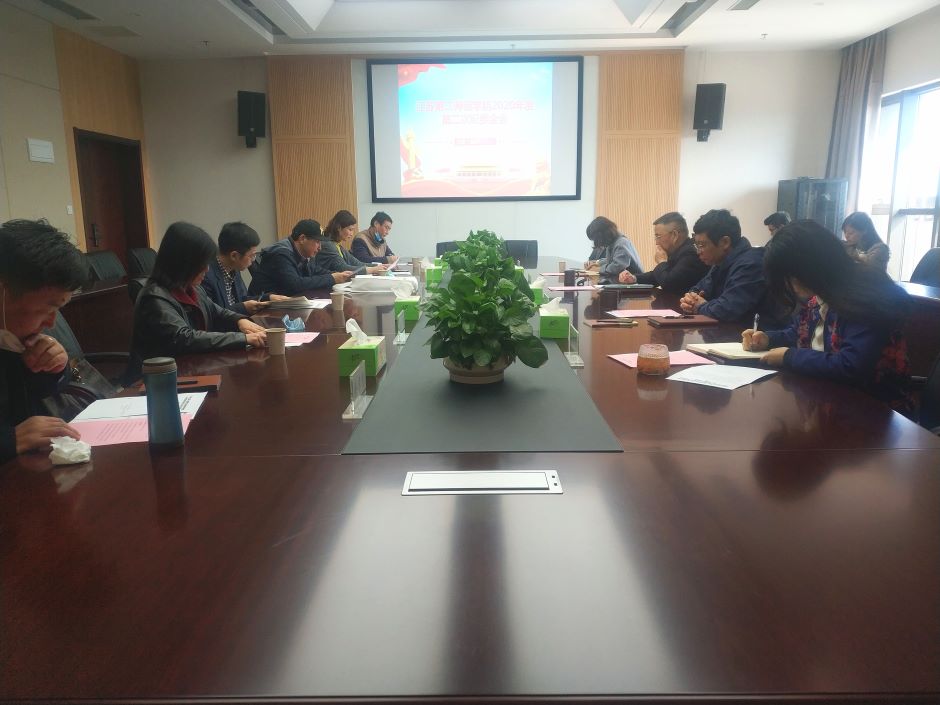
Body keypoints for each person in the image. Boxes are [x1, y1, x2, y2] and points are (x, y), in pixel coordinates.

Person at [742, 220, 912, 412]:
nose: (791, 284)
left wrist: (789, 357)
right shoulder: (824, 293)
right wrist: (768, 339)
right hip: (828, 400)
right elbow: (799, 332)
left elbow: (851, 366)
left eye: (790, 276)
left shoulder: (866, 298)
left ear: (809, 267)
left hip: (874, 412)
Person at [0, 219, 88, 462]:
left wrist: (54, 367)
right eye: (47, 309)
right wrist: (10, 440)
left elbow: (37, 392)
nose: (51, 323)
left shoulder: (13, 335)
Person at [132, 222, 267, 368]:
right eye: (202, 263)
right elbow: (186, 338)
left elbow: (218, 312)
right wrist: (243, 339)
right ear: (183, 262)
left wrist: (240, 320)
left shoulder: (192, 289)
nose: (207, 269)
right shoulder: (154, 298)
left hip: (192, 367)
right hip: (157, 376)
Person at [679, 209, 785, 325]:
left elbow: (726, 310)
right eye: (697, 245)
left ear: (725, 242)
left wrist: (699, 307)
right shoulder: (720, 262)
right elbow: (697, 290)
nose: (698, 252)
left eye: (702, 245)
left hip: (754, 333)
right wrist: (690, 300)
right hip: (727, 331)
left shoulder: (751, 264)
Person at [248, 219, 353, 297]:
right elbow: (295, 285)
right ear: (302, 239)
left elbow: (315, 271)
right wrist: (331, 278)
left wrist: (338, 275)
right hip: (261, 309)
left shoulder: (302, 254)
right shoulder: (281, 254)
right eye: (317, 242)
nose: (320, 247)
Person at [201, 221, 287, 315]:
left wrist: (268, 298)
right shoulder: (205, 276)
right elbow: (212, 314)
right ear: (234, 256)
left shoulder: (234, 268)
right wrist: (243, 308)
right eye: (251, 255)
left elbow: (242, 299)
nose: (253, 260)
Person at [619, 212, 708, 293]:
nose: (656, 242)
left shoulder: (690, 253)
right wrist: (634, 278)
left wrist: (661, 262)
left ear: (674, 235)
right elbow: (657, 276)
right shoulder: (677, 251)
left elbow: (669, 284)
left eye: (658, 236)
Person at [315, 210, 389, 276]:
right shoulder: (328, 245)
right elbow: (343, 268)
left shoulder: (338, 246)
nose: (352, 234)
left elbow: (357, 263)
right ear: (339, 228)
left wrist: (380, 266)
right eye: (350, 230)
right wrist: (372, 270)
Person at [583, 216, 643, 284]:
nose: (597, 243)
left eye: (596, 239)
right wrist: (597, 263)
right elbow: (612, 259)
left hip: (634, 284)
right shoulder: (614, 242)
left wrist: (599, 269)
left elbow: (618, 266)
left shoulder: (621, 243)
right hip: (624, 283)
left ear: (603, 235)